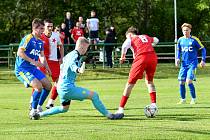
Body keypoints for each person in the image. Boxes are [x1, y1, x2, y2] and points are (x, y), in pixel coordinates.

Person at [35, 37, 124, 120]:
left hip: (60, 87)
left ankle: (39, 114)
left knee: (64, 108)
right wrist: (78, 70)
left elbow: (62, 66)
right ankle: (110, 115)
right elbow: (72, 65)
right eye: (86, 48)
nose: (86, 50)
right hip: (67, 88)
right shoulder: (75, 56)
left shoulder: (69, 54)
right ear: (82, 46)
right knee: (94, 95)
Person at [115, 26, 159, 116]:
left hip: (141, 58)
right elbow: (156, 40)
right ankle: (154, 105)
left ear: (129, 34)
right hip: (153, 57)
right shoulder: (146, 36)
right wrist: (151, 45)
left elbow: (124, 46)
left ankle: (121, 109)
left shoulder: (131, 38)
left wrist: (123, 56)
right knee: (149, 81)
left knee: (130, 84)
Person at [15, 18, 52, 119]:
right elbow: (20, 53)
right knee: (38, 87)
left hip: (33, 69)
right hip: (22, 69)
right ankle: (33, 111)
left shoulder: (40, 42)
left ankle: (38, 106)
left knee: (48, 85)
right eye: (41, 29)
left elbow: (42, 56)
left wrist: (47, 67)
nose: (43, 31)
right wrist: (34, 62)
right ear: (35, 29)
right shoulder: (28, 38)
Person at [176, 23, 206, 104]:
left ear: (190, 30)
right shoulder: (180, 40)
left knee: (188, 81)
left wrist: (203, 60)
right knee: (181, 82)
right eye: (184, 30)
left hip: (192, 64)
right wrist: (178, 58)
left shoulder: (194, 40)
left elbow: (203, 49)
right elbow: (178, 50)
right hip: (184, 64)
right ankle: (183, 99)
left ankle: (193, 99)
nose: (185, 32)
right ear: (182, 31)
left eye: (187, 30)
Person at [39, 19, 64, 110]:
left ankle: (50, 102)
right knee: (39, 82)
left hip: (54, 62)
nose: (50, 28)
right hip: (42, 62)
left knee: (59, 82)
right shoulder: (40, 36)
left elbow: (60, 46)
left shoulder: (56, 35)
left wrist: (61, 57)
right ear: (44, 27)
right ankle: (34, 104)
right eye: (48, 26)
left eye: (51, 26)